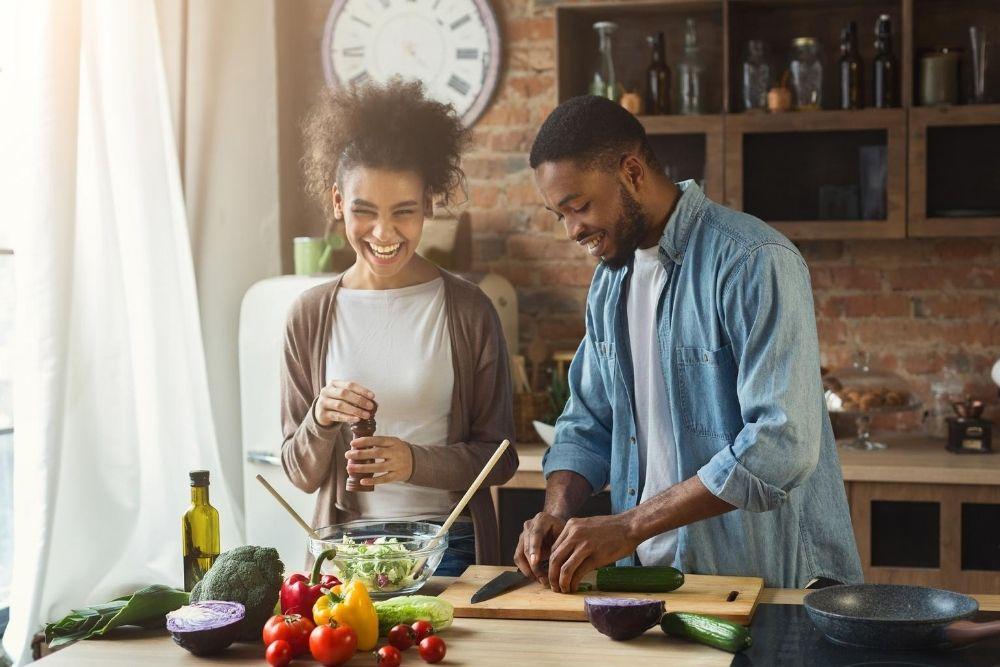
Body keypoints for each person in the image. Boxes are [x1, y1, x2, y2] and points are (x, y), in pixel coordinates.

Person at [514, 95, 862, 591]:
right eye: (559, 215)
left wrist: (629, 526)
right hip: (647, 581)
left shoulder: (753, 260)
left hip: (763, 583)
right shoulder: (611, 282)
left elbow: (780, 444)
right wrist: (556, 511)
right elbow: (587, 420)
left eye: (580, 206)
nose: (572, 231)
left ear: (632, 172)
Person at [281, 79, 518, 575]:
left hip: (449, 548)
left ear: (429, 203)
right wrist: (320, 420)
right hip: (345, 554)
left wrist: (414, 463)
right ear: (338, 202)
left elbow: (502, 458)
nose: (384, 234)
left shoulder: (470, 310)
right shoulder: (308, 315)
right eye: (364, 211)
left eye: (404, 212)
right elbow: (299, 473)